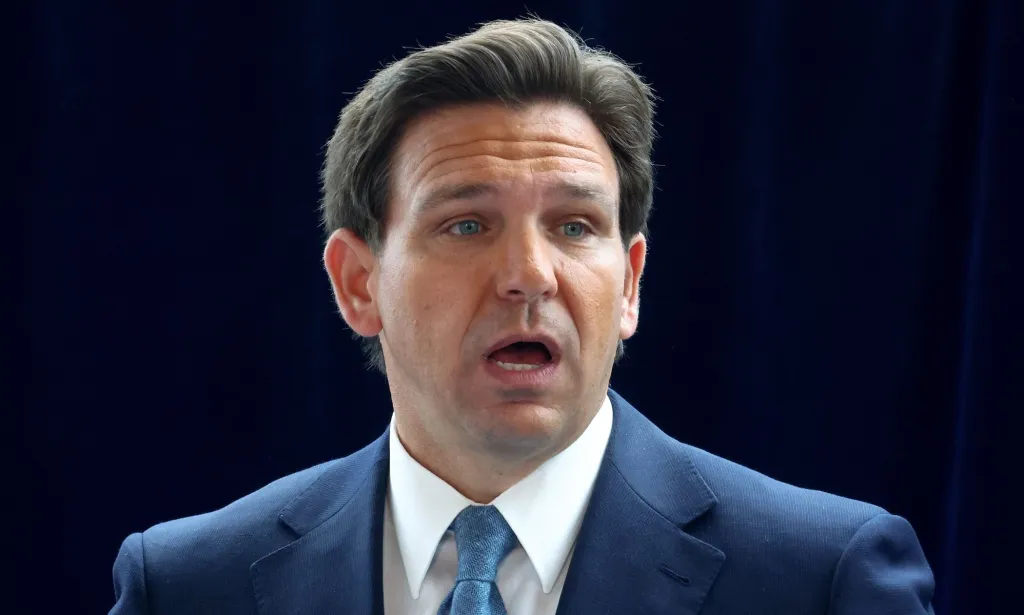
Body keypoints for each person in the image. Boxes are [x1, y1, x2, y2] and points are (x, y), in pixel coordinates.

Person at [110, 17, 936, 615]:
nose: (530, 275)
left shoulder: (823, 579)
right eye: (468, 225)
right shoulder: (188, 584)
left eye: (574, 226)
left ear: (630, 284)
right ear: (358, 283)